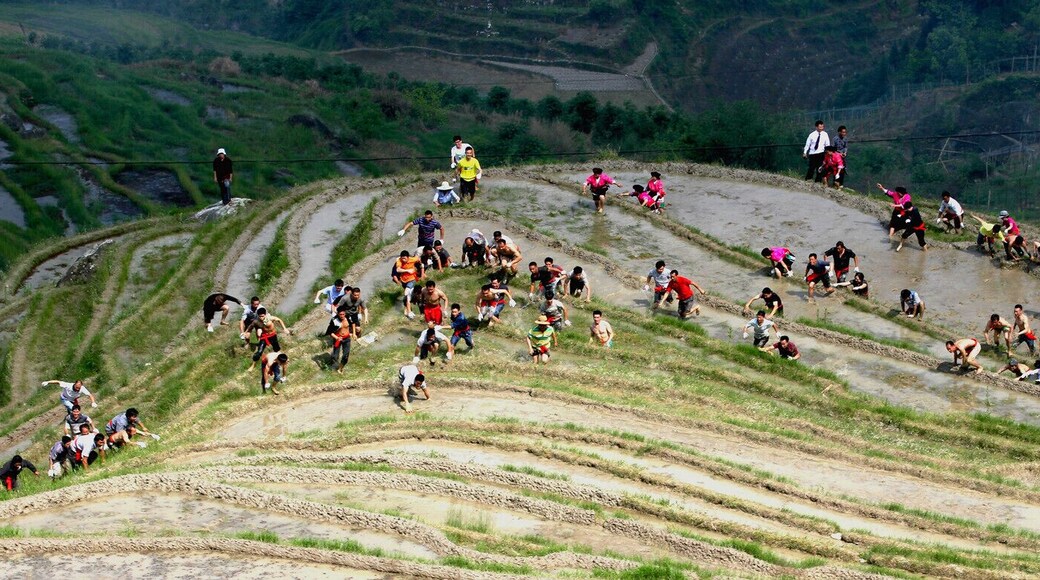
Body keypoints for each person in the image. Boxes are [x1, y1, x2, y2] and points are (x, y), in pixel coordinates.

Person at [392, 250, 424, 319]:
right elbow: (398, 270)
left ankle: (409, 312)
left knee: (406, 293)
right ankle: (409, 309)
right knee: (408, 296)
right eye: (402, 258)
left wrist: (420, 266)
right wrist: (407, 270)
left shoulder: (412, 259)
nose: (403, 260)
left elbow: (418, 259)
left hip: (412, 279)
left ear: (408, 257)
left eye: (405, 258)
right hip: (404, 280)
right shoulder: (399, 261)